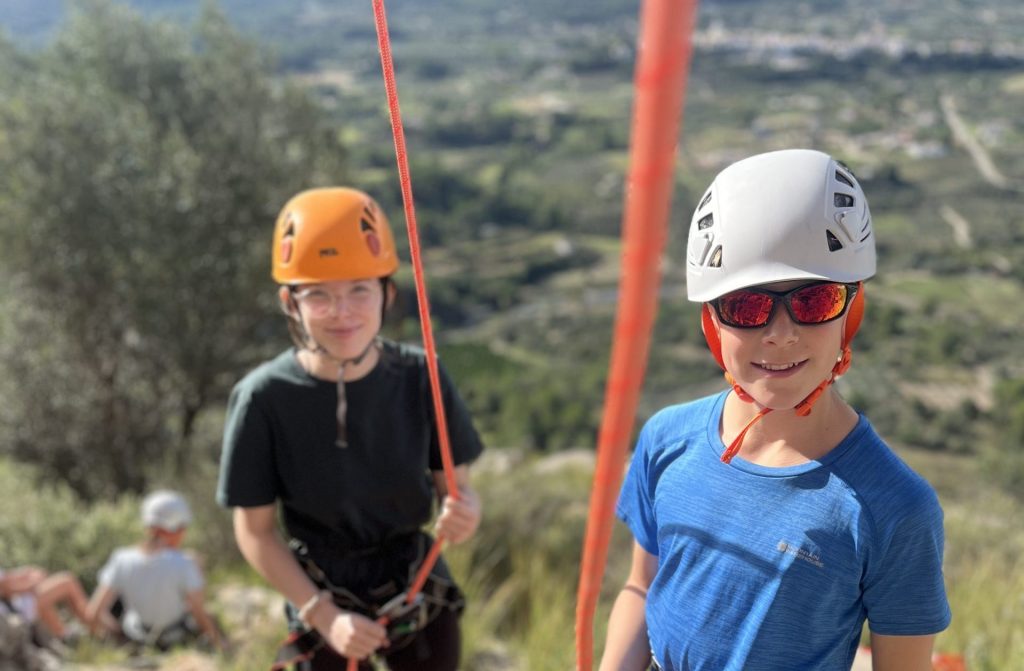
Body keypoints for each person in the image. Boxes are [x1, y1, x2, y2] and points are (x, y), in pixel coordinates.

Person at [600, 149, 951, 671]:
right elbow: (641, 586)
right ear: (712, 325)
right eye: (746, 306)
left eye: (814, 302)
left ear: (850, 315)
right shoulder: (666, 440)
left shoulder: (894, 509)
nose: (780, 334)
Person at [216, 187, 484, 671]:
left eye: (359, 289)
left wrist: (465, 513)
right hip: (318, 588)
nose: (342, 312)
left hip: (415, 584)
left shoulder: (422, 377)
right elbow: (254, 532)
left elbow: (458, 491)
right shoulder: (262, 398)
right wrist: (324, 616)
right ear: (289, 302)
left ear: (387, 293)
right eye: (318, 294)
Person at [86, 489, 225, 651]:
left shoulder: (121, 558)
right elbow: (198, 613)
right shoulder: (185, 563)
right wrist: (220, 643)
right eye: (183, 528)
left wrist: (116, 635)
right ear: (176, 528)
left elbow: (93, 614)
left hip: (136, 637)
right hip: (175, 639)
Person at [0, 564, 91, 644]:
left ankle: (66, 635)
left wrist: (28, 573)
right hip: (15, 612)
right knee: (67, 581)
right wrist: (32, 585)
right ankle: (92, 621)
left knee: (46, 597)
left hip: (22, 603)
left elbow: (9, 578)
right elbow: (6, 589)